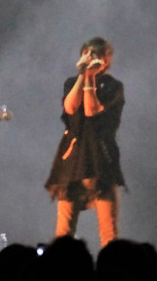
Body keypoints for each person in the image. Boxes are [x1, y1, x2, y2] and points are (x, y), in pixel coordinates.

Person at [44, 37, 126, 247]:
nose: (89, 58)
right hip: (73, 158)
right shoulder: (72, 82)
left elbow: (91, 111)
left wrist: (90, 77)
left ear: (106, 60)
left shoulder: (113, 87)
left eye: (95, 54)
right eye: (86, 53)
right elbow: (71, 108)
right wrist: (83, 75)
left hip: (100, 158)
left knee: (108, 234)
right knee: (64, 232)